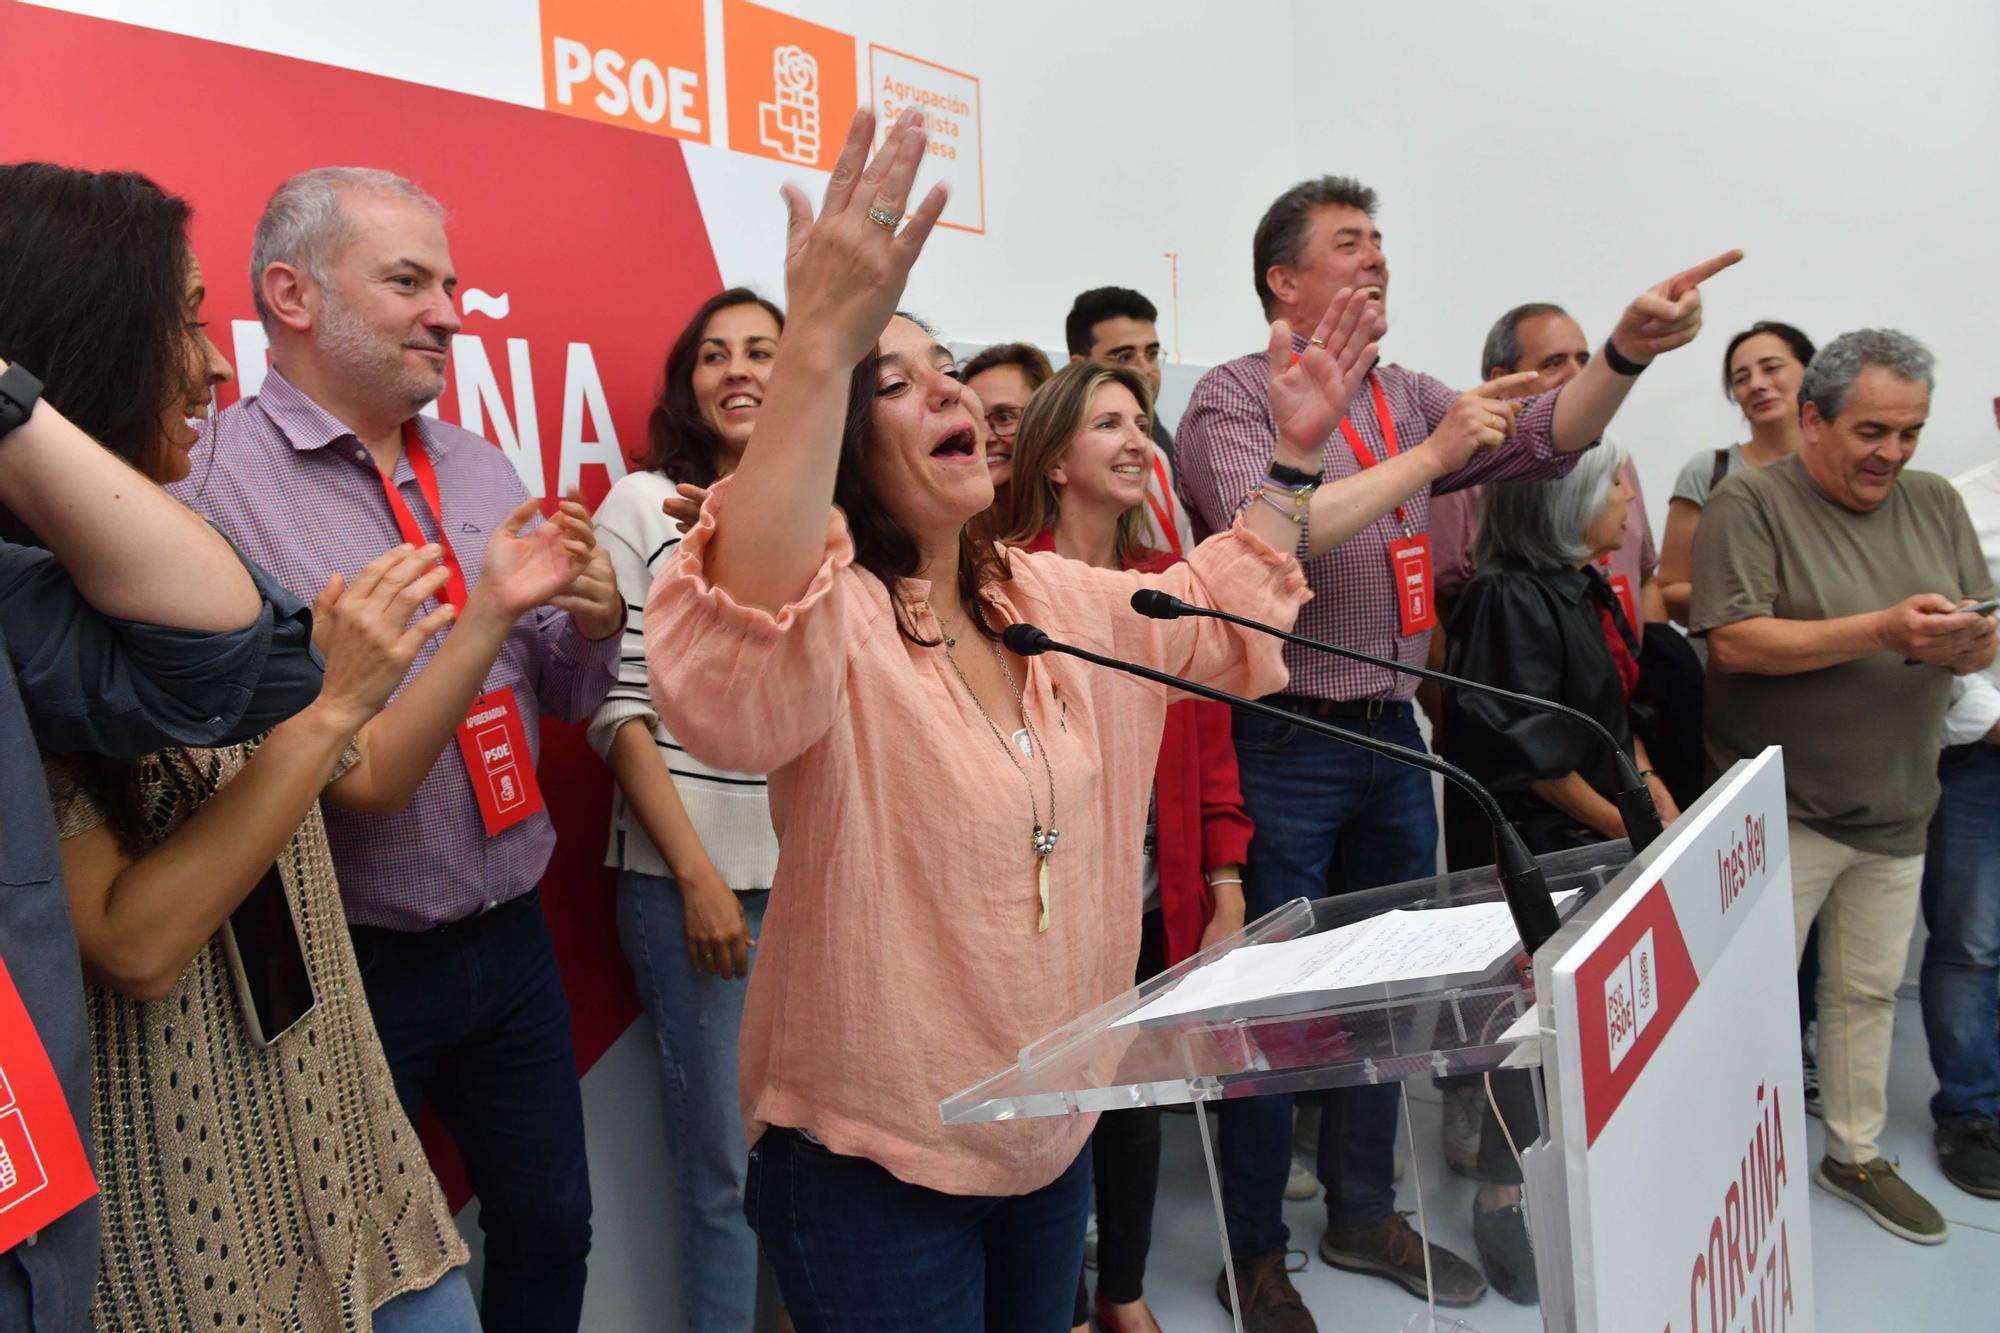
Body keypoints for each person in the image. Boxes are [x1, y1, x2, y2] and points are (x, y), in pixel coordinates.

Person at [645, 107, 1464, 1332]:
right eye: (891, 376)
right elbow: (729, 688)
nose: (944, 387)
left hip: (1046, 1137)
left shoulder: (1043, 596)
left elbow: (1218, 608)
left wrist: (1295, 457)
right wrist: (817, 341)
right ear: (836, 441)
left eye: (943, 365)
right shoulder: (832, 610)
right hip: (875, 1163)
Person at [1175, 172, 1738, 1328]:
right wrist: (1431, 457)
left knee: (1394, 996)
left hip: (1396, 734)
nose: (1375, 256)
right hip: (1285, 740)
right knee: (1277, 1007)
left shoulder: (1407, 394)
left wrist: (1621, 355)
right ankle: (1253, 1248)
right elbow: (1270, 535)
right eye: (1346, 243)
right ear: (1285, 279)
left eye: (1379, 239)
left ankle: (1360, 1210)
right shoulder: (1232, 402)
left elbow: (1546, 435)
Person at [171, 166, 626, 1331]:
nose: (448, 311)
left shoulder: (476, 464)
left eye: (452, 284)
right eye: (408, 281)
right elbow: (336, 774)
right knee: (375, 1273)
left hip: (512, 939)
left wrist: (597, 620)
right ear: (292, 295)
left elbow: (559, 690)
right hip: (344, 962)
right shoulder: (215, 489)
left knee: (549, 1227)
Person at [0, 162, 324, 1333]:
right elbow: (137, 941)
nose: (218, 364)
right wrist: (339, 716)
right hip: (174, 1213)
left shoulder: (46, 596)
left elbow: (241, 651)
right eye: (182, 320)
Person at [1694, 328, 1995, 1246]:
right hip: (1784, 813)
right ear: (1814, 419)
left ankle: (1853, 1153)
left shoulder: (1935, 501)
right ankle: (1713, 1172)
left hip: (1901, 806)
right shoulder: (1749, 502)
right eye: (1873, 431)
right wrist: (1880, 628)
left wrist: (1968, 642)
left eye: (1910, 432)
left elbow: (1980, 629)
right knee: (1744, 1004)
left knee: (1865, 999)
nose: (1892, 454)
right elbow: (1735, 640)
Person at [995, 360, 1255, 1333]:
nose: (1136, 439)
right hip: (1042, 916)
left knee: (1131, 1101)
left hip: (1148, 899)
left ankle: (1122, 1293)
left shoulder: (1164, 590)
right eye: (1108, 421)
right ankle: (1053, 1302)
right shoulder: (997, 580)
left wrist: (1223, 880)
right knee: (1046, 1109)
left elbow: (1211, 742)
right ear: (1054, 455)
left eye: (1141, 421)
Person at [587, 287, 785, 1332]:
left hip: (815, 891)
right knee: (725, 1178)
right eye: (715, 354)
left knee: (816, 1168)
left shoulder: (835, 520)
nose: (738, 369)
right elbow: (615, 709)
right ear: (688, 383)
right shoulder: (641, 504)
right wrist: (700, 876)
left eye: (762, 349)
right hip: (693, 890)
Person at [1440, 443, 1680, 1302]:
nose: (1628, 497)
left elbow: (1618, 722)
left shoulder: (1580, 583)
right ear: (1562, 503)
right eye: (1615, 483)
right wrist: (1639, 831)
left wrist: (1659, 809)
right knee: (1528, 1028)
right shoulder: (1508, 598)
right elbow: (1536, 763)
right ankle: (1504, 1196)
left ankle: (1582, 1172)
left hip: (1595, 837)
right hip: (1536, 849)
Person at [1429, 303, 1662, 634]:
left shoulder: (1617, 459)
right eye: (1555, 363)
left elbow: (1646, 576)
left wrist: (1655, 668)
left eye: (1584, 359)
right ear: (1502, 382)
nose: (1578, 375)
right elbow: (1435, 604)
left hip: (1621, 672)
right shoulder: (1462, 473)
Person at [1916, 451, 2000, 1199]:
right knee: (1971, 940)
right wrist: (1992, 721)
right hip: (1985, 758)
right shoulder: (1960, 506)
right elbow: (1940, 636)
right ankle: (1972, 1111)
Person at [1657, 321, 1816, 626]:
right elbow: (1668, 590)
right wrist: (1752, 601)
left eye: (1771, 368)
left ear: (1811, 372)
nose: (1756, 384)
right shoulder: (1708, 472)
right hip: (1727, 664)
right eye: (1741, 378)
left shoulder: (1844, 470)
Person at [1064, 286, 1198, 558]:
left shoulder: (1158, 449)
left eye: (1151, 354)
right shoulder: (1065, 456)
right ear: (1079, 365)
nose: (1146, 369)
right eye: (1125, 356)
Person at [963, 340, 1052, 516]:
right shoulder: (945, 533)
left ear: (1047, 420)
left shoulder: (1077, 531)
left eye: (1004, 417)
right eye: (972, 417)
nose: (985, 437)